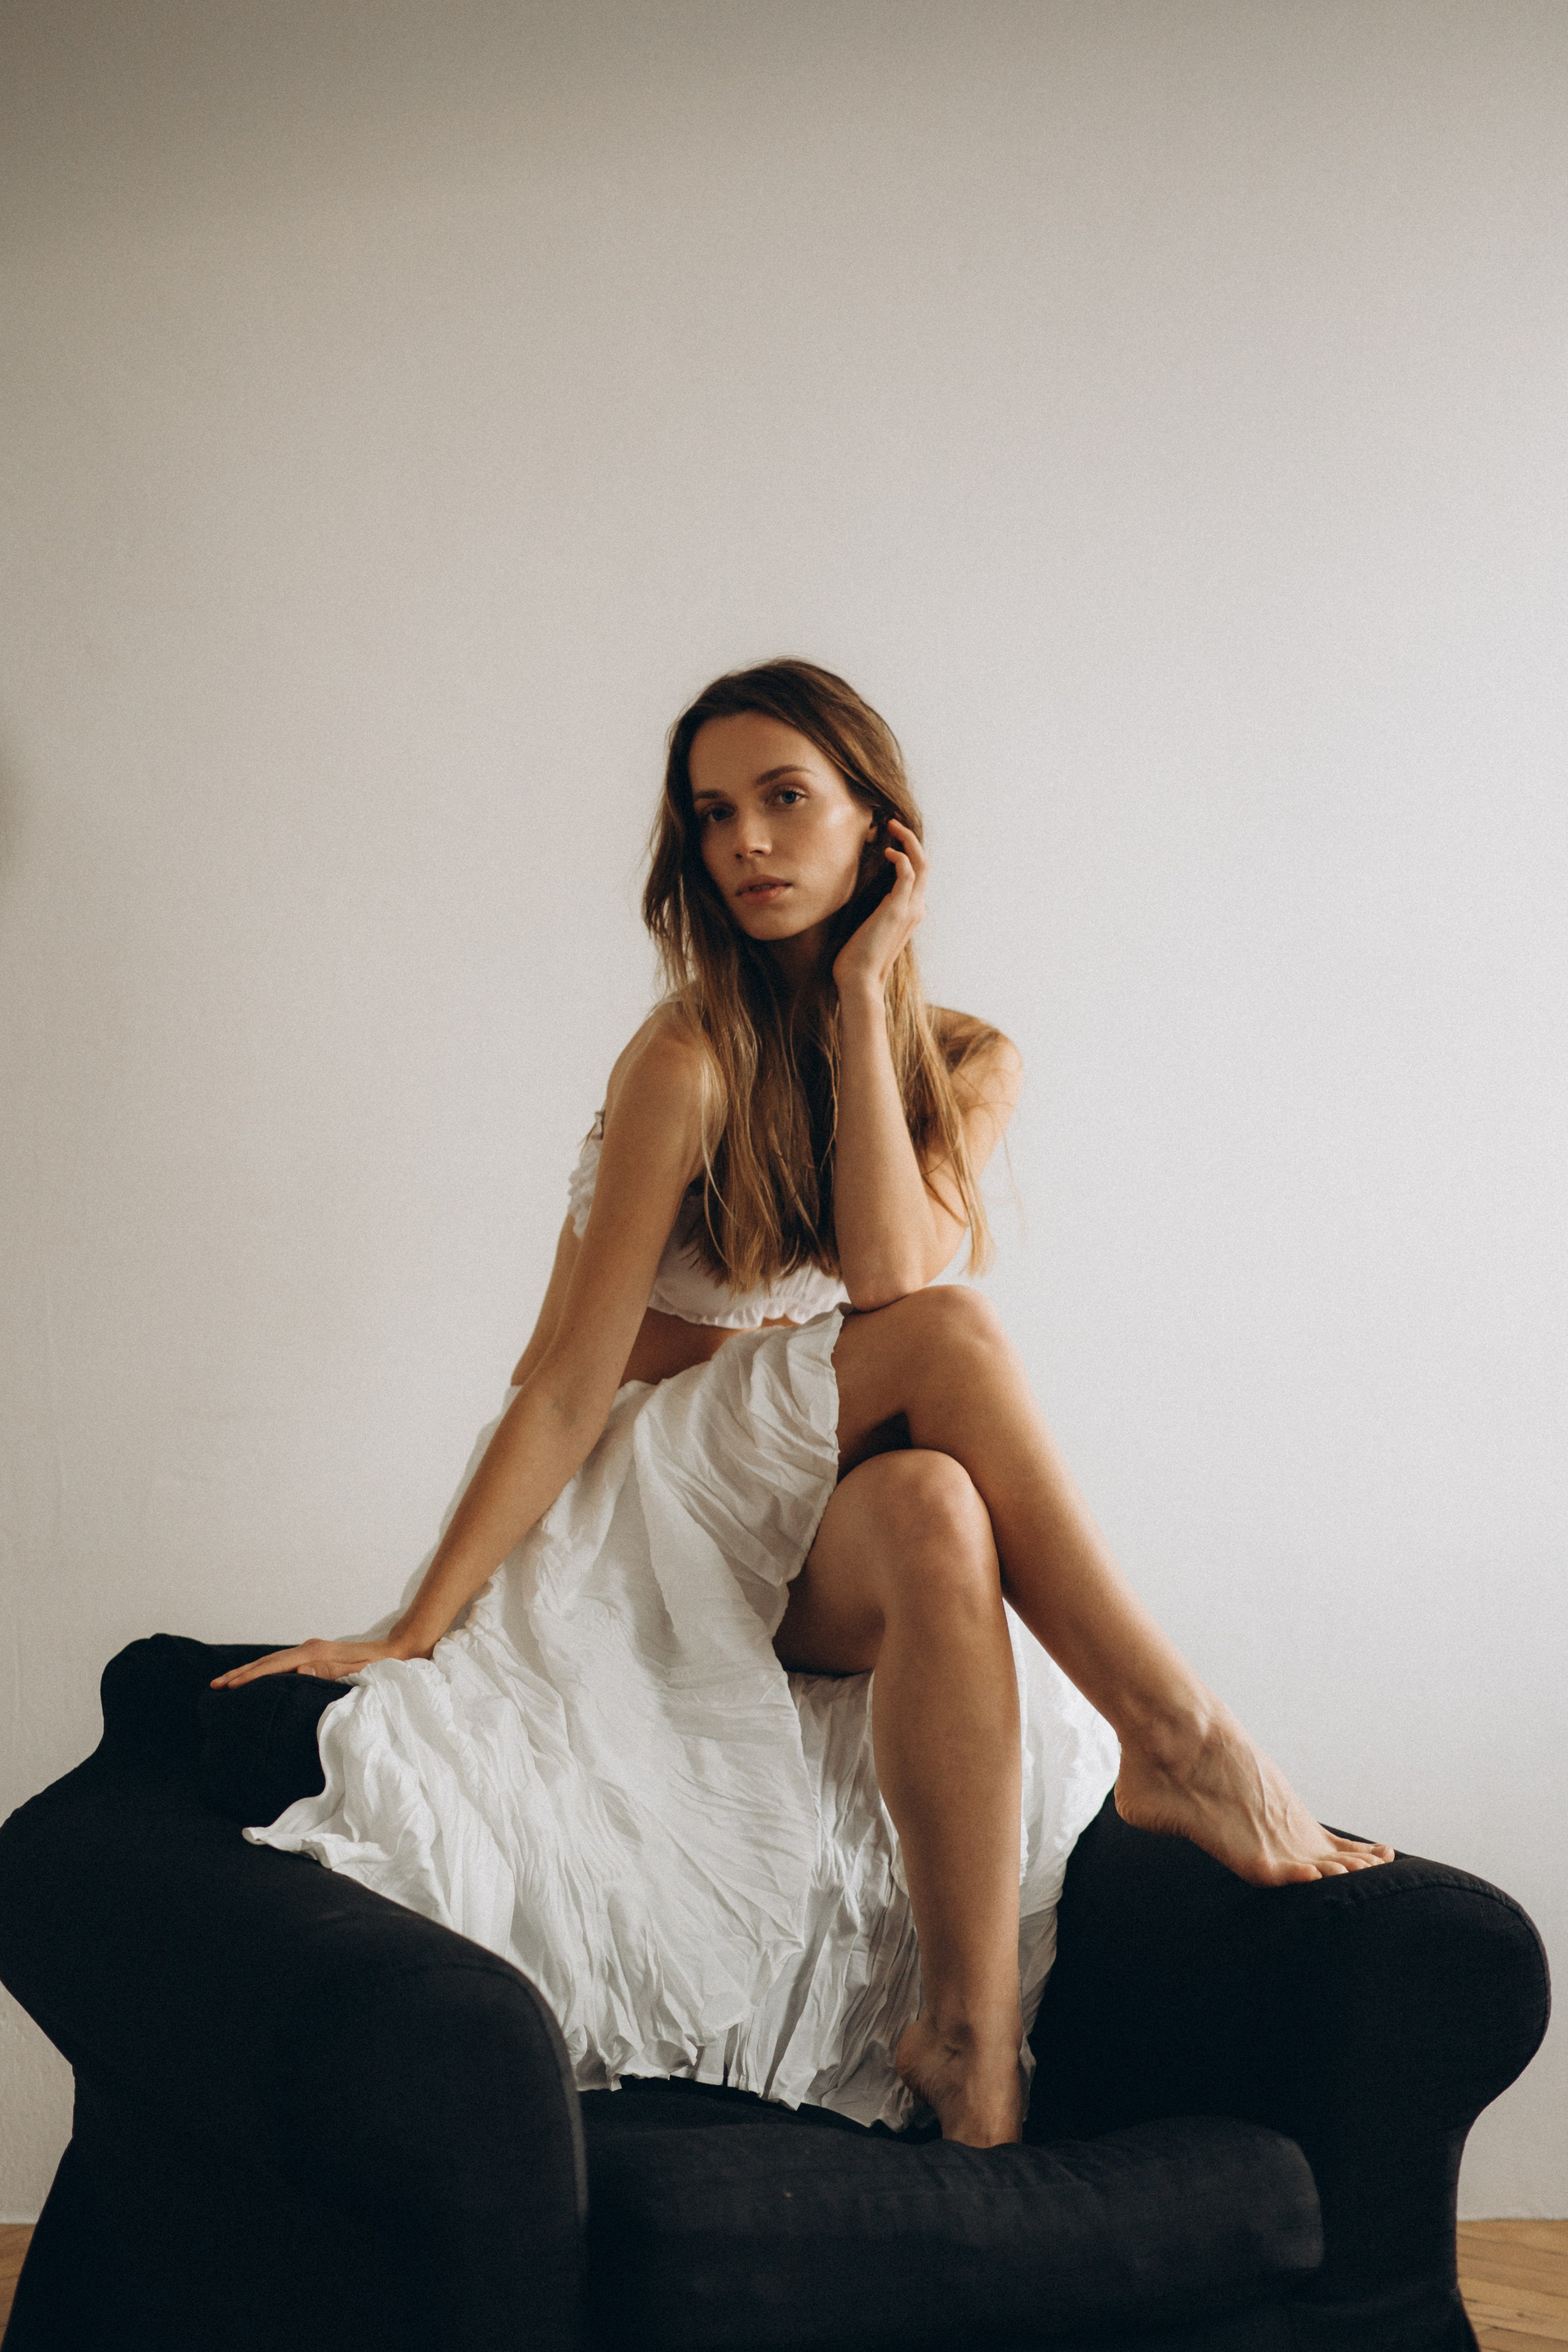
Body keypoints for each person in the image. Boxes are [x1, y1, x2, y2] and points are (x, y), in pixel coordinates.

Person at [213, 658, 1391, 2148]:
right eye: (714, 815)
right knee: (951, 1336)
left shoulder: (966, 1060)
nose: (747, 844)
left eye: (785, 800)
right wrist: (412, 1624)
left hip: (797, 1527)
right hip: (645, 1516)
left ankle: (968, 2040)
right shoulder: (685, 1057)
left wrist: (858, 994)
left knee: (935, 1504)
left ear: (880, 830)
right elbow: (570, 1380)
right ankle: (1176, 1730)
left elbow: (888, 1263)